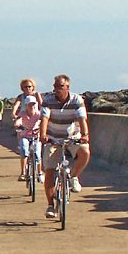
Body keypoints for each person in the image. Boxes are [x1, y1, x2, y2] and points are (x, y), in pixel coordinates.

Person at [40, 74, 91, 219]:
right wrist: (43, 135)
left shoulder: (76, 100)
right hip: (53, 138)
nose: (57, 89)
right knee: (49, 170)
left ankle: (74, 176)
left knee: (85, 152)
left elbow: (82, 119)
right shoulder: (48, 100)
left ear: (67, 87)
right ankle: (51, 205)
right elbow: (45, 118)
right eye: (55, 86)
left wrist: (85, 135)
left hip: (72, 137)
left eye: (60, 86)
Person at [14, 96, 43, 182]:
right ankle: (23, 173)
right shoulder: (23, 114)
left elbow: (43, 121)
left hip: (35, 137)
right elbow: (18, 121)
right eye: (30, 104)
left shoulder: (38, 114)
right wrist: (18, 125)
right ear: (26, 105)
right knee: (24, 151)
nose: (32, 106)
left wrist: (40, 128)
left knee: (38, 155)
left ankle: (40, 173)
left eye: (33, 104)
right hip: (25, 136)